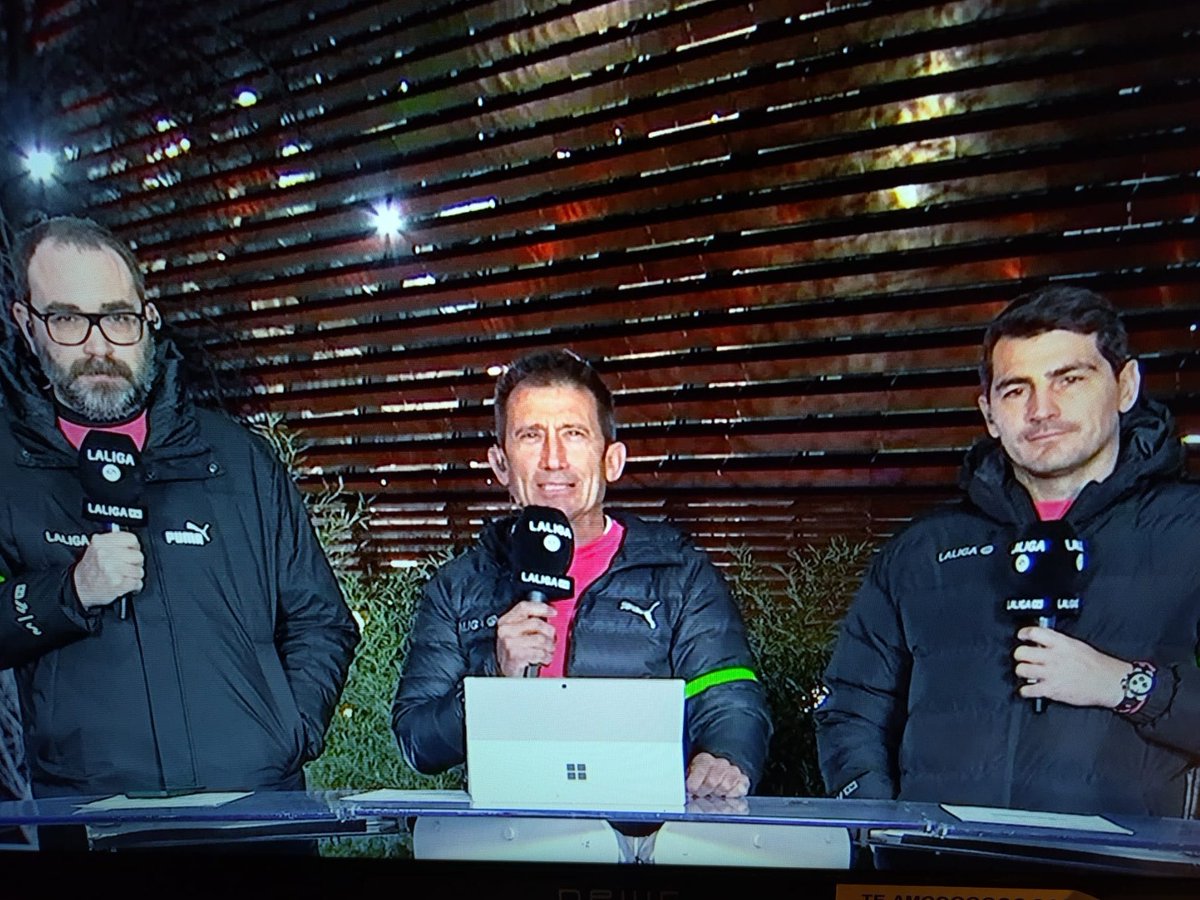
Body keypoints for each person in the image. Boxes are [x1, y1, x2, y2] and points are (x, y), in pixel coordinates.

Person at [0, 216, 360, 798]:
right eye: (68, 319)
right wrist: (68, 591)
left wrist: (290, 731)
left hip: (258, 815)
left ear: (147, 318)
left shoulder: (237, 458)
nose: (98, 346)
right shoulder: (8, 471)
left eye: (116, 317)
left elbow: (321, 619)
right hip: (92, 820)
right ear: (26, 322)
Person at [815, 284, 1200, 817]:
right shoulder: (924, 550)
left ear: (1125, 386)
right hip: (936, 875)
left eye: (1069, 379)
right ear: (990, 413)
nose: (1042, 409)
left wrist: (1125, 685)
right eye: (1016, 389)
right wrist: (880, 823)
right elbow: (851, 706)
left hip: (1126, 877)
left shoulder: (1190, 531)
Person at [392, 349, 771, 798]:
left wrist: (726, 755)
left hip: (638, 843)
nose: (554, 459)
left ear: (612, 460)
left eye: (574, 434)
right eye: (531, 436)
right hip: (507, 840)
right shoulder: (458, 586)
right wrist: (494, 679)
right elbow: (418, 742)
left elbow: (729, 692)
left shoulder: (678, 574)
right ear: (500, 464)